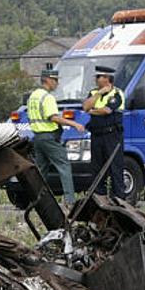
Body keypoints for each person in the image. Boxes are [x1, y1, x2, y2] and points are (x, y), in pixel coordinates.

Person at [27, 69, 85, 205]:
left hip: (37, 138)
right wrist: (74, 124)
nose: (57, 83)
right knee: (64, 165)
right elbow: (53, 117)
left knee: (41, 171)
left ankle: (37, 200)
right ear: (47, 80)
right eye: (55, 80)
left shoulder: (33, 96)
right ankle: (70, 200)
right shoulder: (47, 97)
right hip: (49, 137)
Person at [82, 65, 127, 202]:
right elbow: (85, 107)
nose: (96, 79)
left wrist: (92, 110)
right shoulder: (94, 92)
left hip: (112, 136)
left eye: (98, 77)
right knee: (97, 169)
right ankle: (99, 198)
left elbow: (107, 111)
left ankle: (119, 199)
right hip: (97, 135)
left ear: (107, 78)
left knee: (115, 167)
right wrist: (99, 94)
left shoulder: (117, 94)